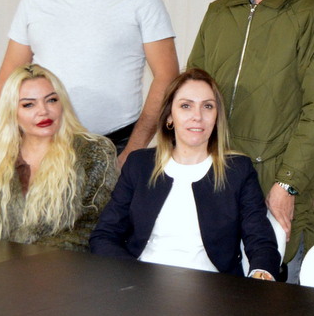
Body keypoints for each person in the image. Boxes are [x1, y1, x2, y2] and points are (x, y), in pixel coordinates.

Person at [187, 0, 314, 282]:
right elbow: (189, 97)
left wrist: (287, 183)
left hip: (276, 187)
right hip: (214, 182)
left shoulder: (312, 16)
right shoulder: (218, 13)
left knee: (276, 308)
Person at [0, 0, 179, 165]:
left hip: (116, 145)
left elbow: (167, 76)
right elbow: (10, 73)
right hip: (45, 144)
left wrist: (133, 151)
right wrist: (11, 139)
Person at [90, 68, 281, 279]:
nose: (197, 116)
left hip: (213, 290)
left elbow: (261, 241)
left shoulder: (238, 171)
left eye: (207, 106)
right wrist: (134, 277)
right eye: (186, 106)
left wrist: (261, 273)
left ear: (217, 117)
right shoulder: (140, 165)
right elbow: (104, 235)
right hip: (141, 285)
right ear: (169, 116)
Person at [0, 63, 117, 250]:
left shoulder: (93, 153)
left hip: (61, 263)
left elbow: (89, 227)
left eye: (51, 100)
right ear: (11, 112)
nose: (43, 111)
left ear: (62, 104)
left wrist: (29, 260)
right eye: (28, 104)